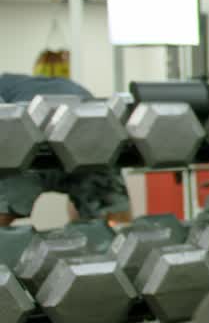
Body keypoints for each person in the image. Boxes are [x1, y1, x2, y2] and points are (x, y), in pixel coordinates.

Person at [0, 73, 133, 227]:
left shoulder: (6, 85)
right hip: (85, 140)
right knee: (112, 223)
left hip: (28, 148)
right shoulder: (65, 85)